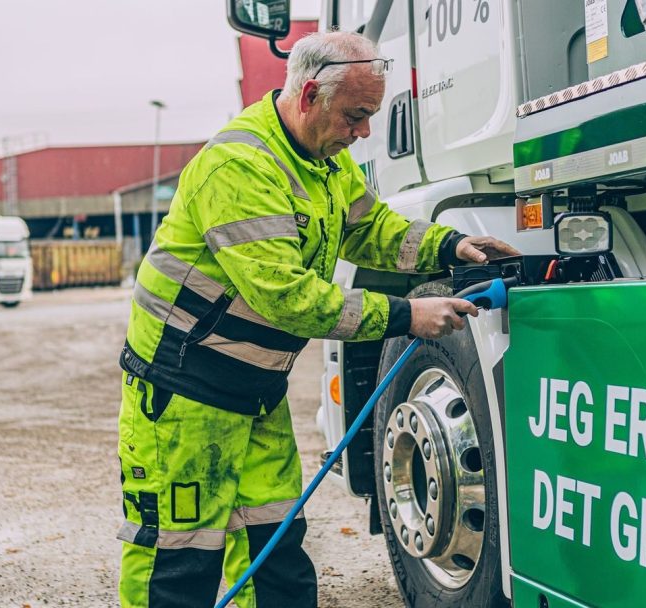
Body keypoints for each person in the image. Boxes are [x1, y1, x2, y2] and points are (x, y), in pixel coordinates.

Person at [117, 30, 519, 608]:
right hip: (184, 394)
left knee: (276, 555)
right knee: (179, 563)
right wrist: (408, 315)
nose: (364, 134)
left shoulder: (324, 162)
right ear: (309, 95)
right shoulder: (239, 167)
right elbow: (289, 298)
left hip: (253, 390)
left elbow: (371, 230)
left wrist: (449, 246)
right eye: (355, 116)